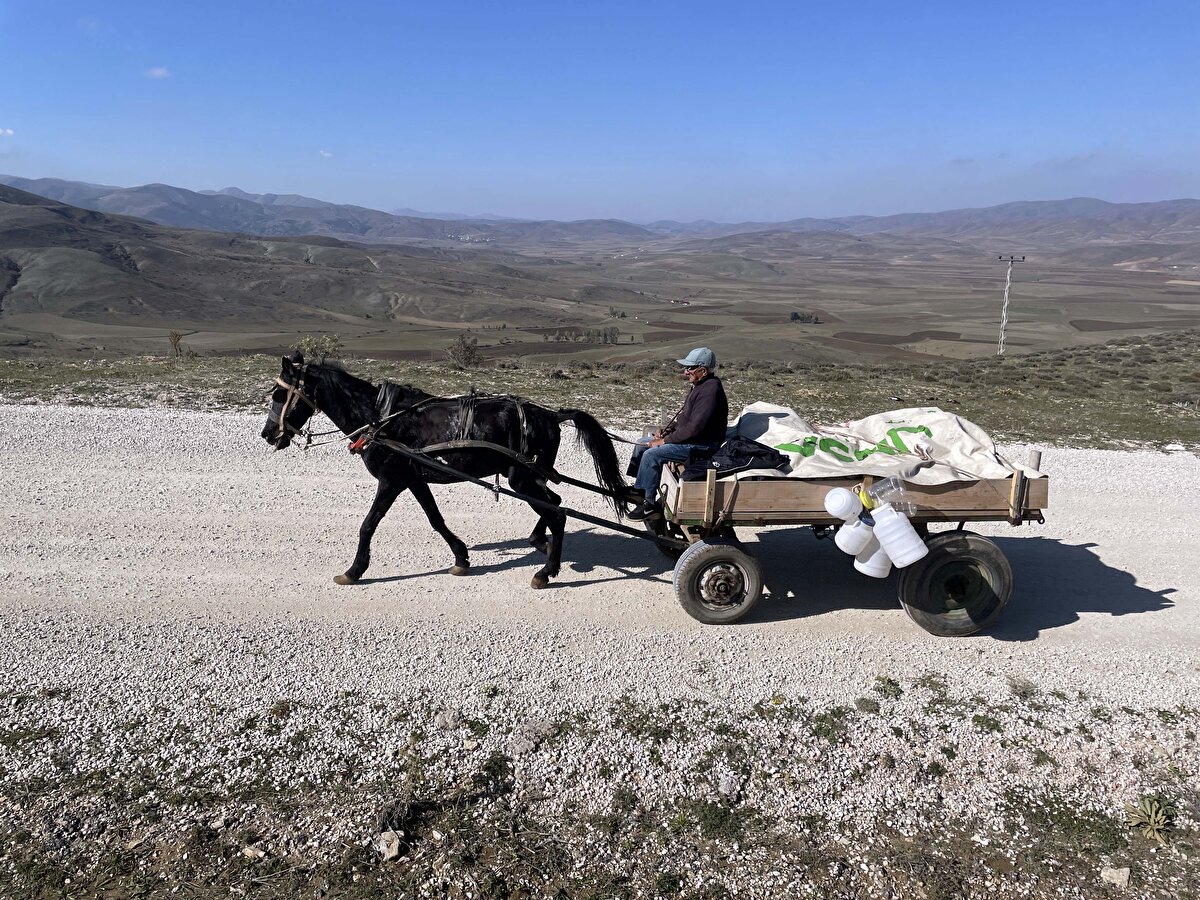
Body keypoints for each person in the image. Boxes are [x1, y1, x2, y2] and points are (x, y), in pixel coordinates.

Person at [627, 347, 728, 520]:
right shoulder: (700, 385)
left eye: (690, 368)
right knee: (641, 443)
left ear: (703, 370)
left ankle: (649, 506)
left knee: (652, 454)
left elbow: (694, 429)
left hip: (702, 445)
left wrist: (665, 441)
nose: (685, 371)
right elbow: (687, 419)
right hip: (694, 439)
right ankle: (639, 490)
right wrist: (670, 429)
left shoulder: (710, 391)